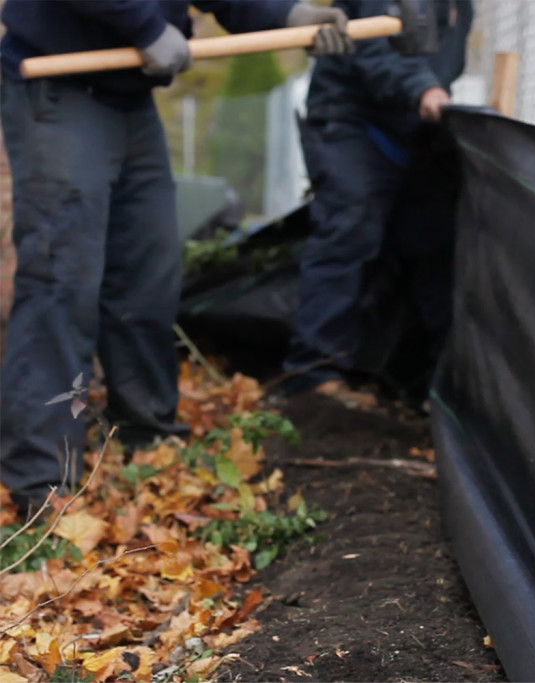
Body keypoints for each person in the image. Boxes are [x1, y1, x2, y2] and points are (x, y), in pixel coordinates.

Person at [0, 0, 353, 518]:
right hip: (61, 82)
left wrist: (289, 16)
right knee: (62, 282)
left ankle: (149, 440)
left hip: (129, 94)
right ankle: (40, 479)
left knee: (148, 276)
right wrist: (144, 27)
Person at [281, 0, 473, 408]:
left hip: (412, 127)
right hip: (353, 119)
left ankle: (435, 387)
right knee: (349, 229)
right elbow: (373, 43)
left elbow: (443, 63)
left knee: (435, 241)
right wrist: (423, 88)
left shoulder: (462, 7)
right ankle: (312, 377)